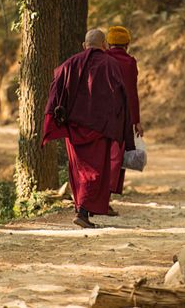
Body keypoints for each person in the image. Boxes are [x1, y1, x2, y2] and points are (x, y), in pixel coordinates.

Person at [43, 29, 134, 228]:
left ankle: (80, 209)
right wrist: (121, 127)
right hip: (101, 127)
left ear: (84, 45)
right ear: (104, 45)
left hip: (74, 128)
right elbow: (121, 99)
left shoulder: (68, 64)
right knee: (96, 171)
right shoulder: (111, 65)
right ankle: (83, 212)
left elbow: (55, 92)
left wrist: (55, 120)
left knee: (79, 169)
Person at [106, 26, 143, 207]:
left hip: (102, 116)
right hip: (124, 116)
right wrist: (136, 121)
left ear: (108, 43)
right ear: (127, 44)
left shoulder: (103, 59)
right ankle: (108, 195)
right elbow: (132, 93)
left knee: (104, 155)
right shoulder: (129, 62)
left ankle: (100, 198)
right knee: (118, 154)